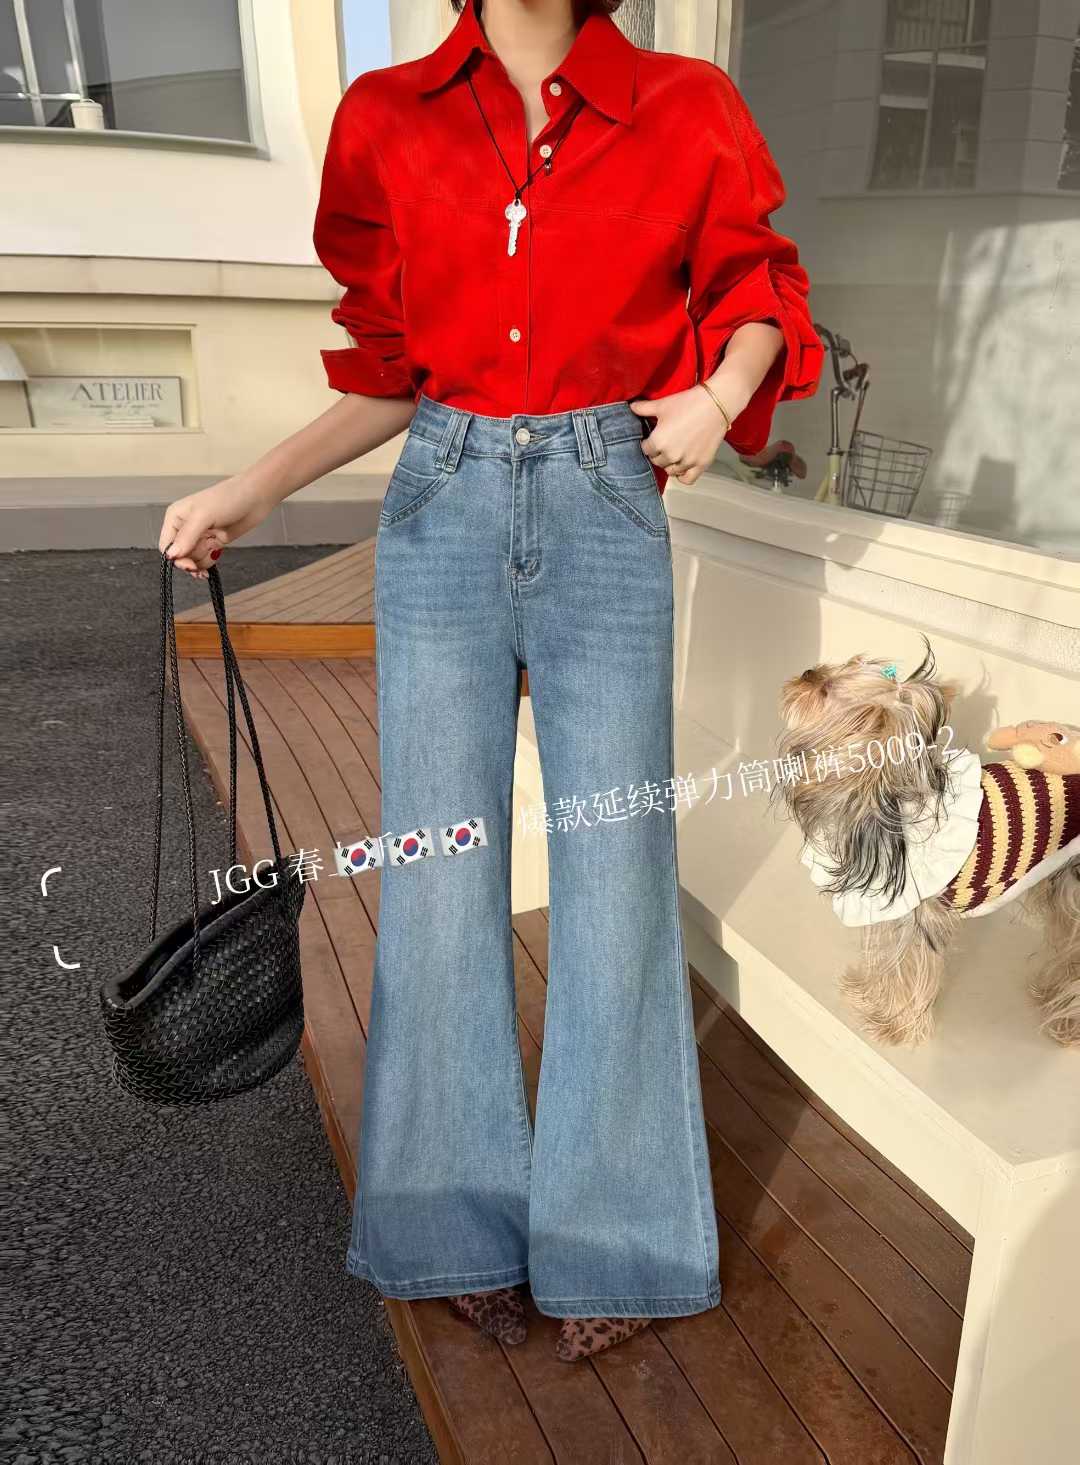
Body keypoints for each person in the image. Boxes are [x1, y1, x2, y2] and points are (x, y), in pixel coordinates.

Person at [159, 0, 823, 1364]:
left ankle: (616, 1236)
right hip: (445, 504)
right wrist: (247, 489)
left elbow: (760, 290)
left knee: (617, 867)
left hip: (606, 497)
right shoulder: (388, 117)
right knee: (441, 870)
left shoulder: (684, 106)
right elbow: (393, 375)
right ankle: (448, 1223)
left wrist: (716, 395)